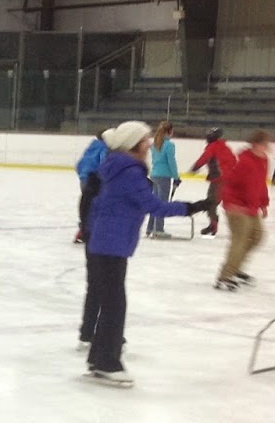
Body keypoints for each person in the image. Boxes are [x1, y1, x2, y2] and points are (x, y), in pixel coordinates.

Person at [80, 122, 209, 387]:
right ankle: (107, 363)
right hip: (112, 244)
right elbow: (153, 206)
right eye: (146, 142)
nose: (150, 146)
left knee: (110, 303)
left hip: (106, 242)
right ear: (134, 144)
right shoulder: (129, 172)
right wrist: (190, 208)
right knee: (115, 305)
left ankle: (98, 358)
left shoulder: (116, 166)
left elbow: (98, 203)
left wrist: (91, 232)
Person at [215, 129, 270, 290]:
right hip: (236, 206)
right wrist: (236, 203)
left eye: (266, 145)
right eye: (262, 144)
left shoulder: (263, 160)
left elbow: (261, 184)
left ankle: (236, 267)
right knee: (239, 240)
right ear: (254, 144)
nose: (265, 148)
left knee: (257, 237)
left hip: (250, 206)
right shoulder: (244, 161)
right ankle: (224, 276)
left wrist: (263, 203)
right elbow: (238, 184)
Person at [189, 128, 236, 236]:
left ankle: (213, 225)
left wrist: (194, 168)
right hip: (228, 180)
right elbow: (234, 161)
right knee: (229, 204)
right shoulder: (225, 147)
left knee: (211, 202)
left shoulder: (212, 147)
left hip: (219, 180)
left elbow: (204, 158)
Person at [145, 120, 179, 238]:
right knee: (162, 203)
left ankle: (150, 228)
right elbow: (171, 162)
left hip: (154, 175)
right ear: (169, 131)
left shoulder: (155, 143)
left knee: (155, 203)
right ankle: (158, 229)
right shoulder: (169, 145)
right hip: (164, 176)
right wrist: (176, 177)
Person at [74, 133, 108, 244]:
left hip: (84, 179)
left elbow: (79, 164)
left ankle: (84, 230)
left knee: (87, 206)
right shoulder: (104, 148)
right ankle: (88, 232)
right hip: (94, 181)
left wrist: (82, 175)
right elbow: (104, 163)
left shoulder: (91, 147)